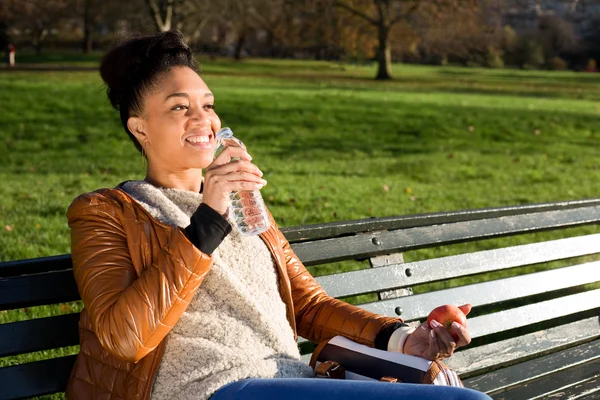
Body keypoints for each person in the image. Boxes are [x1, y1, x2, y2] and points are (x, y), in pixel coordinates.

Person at [64, 30, 491, 400]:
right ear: (140, 128)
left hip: (289, 380)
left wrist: (402, 340)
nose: (204, 119)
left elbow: (309, 304)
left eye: (208, 105)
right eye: (180, 107)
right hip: (205, 389)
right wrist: (207, 220)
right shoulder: (106, 212)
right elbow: (125, 338)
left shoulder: (244, 204)